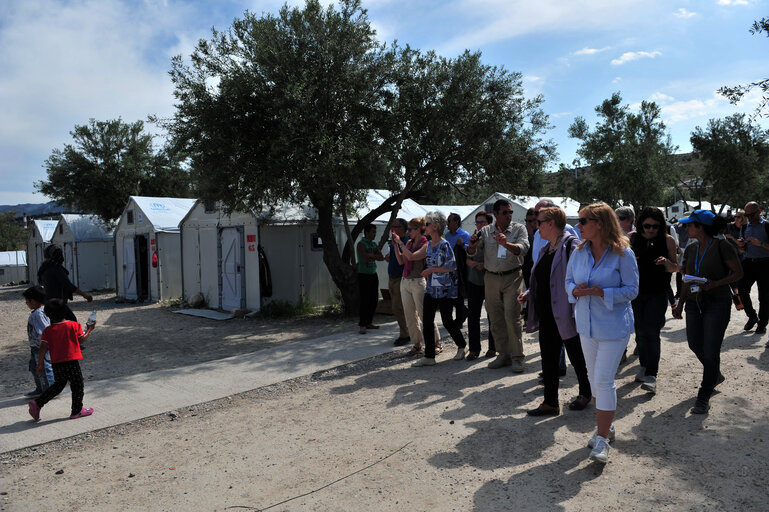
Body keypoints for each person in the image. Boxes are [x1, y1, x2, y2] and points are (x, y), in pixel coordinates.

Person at [566, 202, 639, 464]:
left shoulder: (623, 253)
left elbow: (632, 290)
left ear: (600, 223)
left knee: (604, 380)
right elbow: (569, 281)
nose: (579, 226)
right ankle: (606, 425)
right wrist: (575, 290)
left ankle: (603, 438)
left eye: (584, 221)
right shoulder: (579, 251)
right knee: (592, 378)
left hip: (613, 326)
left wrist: (601, 292)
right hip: (586, 324)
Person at [519, 206, 592, 416]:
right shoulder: (546, 248)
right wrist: (530, 293)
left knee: (577, 355)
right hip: (547, 312)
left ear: (551, 223)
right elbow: (545, 279)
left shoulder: (572, 246)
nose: (535, 225)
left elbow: (577, 279)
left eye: (539, 221)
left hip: (566, 312)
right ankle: (550, 402)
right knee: (548, 358)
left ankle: (586, 393)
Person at [672, 210, 743, 414]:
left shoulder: (723, 246)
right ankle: (714, 375)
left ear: (700, 227)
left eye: (689, 225)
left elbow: (738, 273)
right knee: (695, 343)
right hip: (695, 302)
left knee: (711, 349)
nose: (686, 228)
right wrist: (680, 304)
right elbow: (687, 278)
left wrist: (715, 284)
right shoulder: (692, 248)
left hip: (717, 303)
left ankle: (704, 395)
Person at [467, 199, 529, 373]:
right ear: (495, 214)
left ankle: (517, 357)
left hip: (513, 277)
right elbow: (473, 252)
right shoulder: (486, 231)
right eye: (504, 212)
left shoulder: (518, 229)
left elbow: (522, 249)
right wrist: (471, 246)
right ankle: (503, 355)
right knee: (495, 318)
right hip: (491, 278)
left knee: (512, 316)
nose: (509, 215)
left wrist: (506, 243)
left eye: (510, 212)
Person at [404, 212, 467, 366]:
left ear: (435, 227)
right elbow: (413, 257)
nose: (424, 226)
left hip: (445, 289)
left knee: (446, 321)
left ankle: (462, 345)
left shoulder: (444, 244)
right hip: (431, 288)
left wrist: (431, 271)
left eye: (427, 224)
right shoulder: (429, 245)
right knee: (427, 319)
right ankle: (429, 356)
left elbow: (452, 267)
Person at [630, 207, 678, 395]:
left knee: (652, 331)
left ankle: (651, 374)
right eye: (647, 226)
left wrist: (666, 262)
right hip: (636, 293)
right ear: (641, 224)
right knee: (640, 332)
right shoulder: (633, 239)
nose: (650, 230)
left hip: (658, 293)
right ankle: (643, 365)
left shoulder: (668, 240)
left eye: (655, 227)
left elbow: (675, 268)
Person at [28, 299, 96, 422]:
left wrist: (39, 364)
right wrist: (90, 329)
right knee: (77, 385)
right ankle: (77, 410)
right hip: (71, 362)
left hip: (56, 363)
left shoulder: (47, 330)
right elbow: (81, 340)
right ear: (65, 311)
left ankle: (38, 403)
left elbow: (43, 347)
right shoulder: (74, 325)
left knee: (58, 385)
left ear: (48, 315)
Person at [392, 217, 441, 356]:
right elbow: (401, 260)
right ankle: (417, 344)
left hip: (418, 282)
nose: (408, 232)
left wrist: (400, 243)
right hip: (406, 281)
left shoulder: (426, 244)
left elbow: (413, 257)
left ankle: (436, 342)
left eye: (410, 229)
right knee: (409, 315)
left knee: (424, 314)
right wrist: (396, 245)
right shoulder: (408, 242)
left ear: (418, 230)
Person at [734, 202, 769, 335]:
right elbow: (742, 250)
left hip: (765, 263)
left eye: (751, 215)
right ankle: (752, 316)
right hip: (749, 262)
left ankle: (762, 323)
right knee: (742, 291)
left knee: (764, 296)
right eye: (747, 215)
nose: (749, 218)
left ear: (759, 211)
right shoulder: (744, 227)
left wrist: (760, 244)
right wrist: (741, 245)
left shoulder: (766, 226)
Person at [465, 212, 496, 360]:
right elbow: (467, 257)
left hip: (490, 281)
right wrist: (472, 263)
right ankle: (474, 349)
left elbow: (498, 259)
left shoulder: (494, 238)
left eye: (482, 222)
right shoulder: (473, 238)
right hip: (474, 281)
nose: (479, 225)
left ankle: (493, 347)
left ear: (489, 223)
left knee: (492, 316)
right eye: (477, 222)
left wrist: (485, 265)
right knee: (473, 317)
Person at [37, 244, 93, 321]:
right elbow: (68, 285)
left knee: (56, 324)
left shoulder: (45, 268)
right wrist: (85, 295)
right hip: (57, 304)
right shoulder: (56, 269)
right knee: (72, 321)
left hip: (49, 302)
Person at [22, 286, 54, 397]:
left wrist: (43, 346)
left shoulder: (38, 314)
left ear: (33, 301)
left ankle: (50, 389)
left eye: (27, 301)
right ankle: (41, 388)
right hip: (36, 347)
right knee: (34, 367)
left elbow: (44, 332)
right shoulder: (41, 311)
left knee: (44, 367)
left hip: (40, 347)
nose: (26, 303)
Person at [385, 218, 411, 345]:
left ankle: (405, 334)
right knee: (397, 307)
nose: (392, 229)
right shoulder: (393, 242)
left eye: (395, 226)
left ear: (403, 228)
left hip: (401, 278)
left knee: (399, 307)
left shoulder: (406, 242)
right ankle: (407, 332)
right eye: (392, 226)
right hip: (392, 277)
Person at [357, 224, 384, 334]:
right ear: (367, 232)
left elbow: (381, 257)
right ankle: (362, 324)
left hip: (373, 274)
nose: (374, 234)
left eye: (375, 232)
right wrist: (373, 256)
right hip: (363, 275)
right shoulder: (361, 244)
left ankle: (369, 322)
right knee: (365, 300)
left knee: (373, 300)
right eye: (373, 232)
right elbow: (363, 259)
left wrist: (370, 255)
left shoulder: (373, 244)